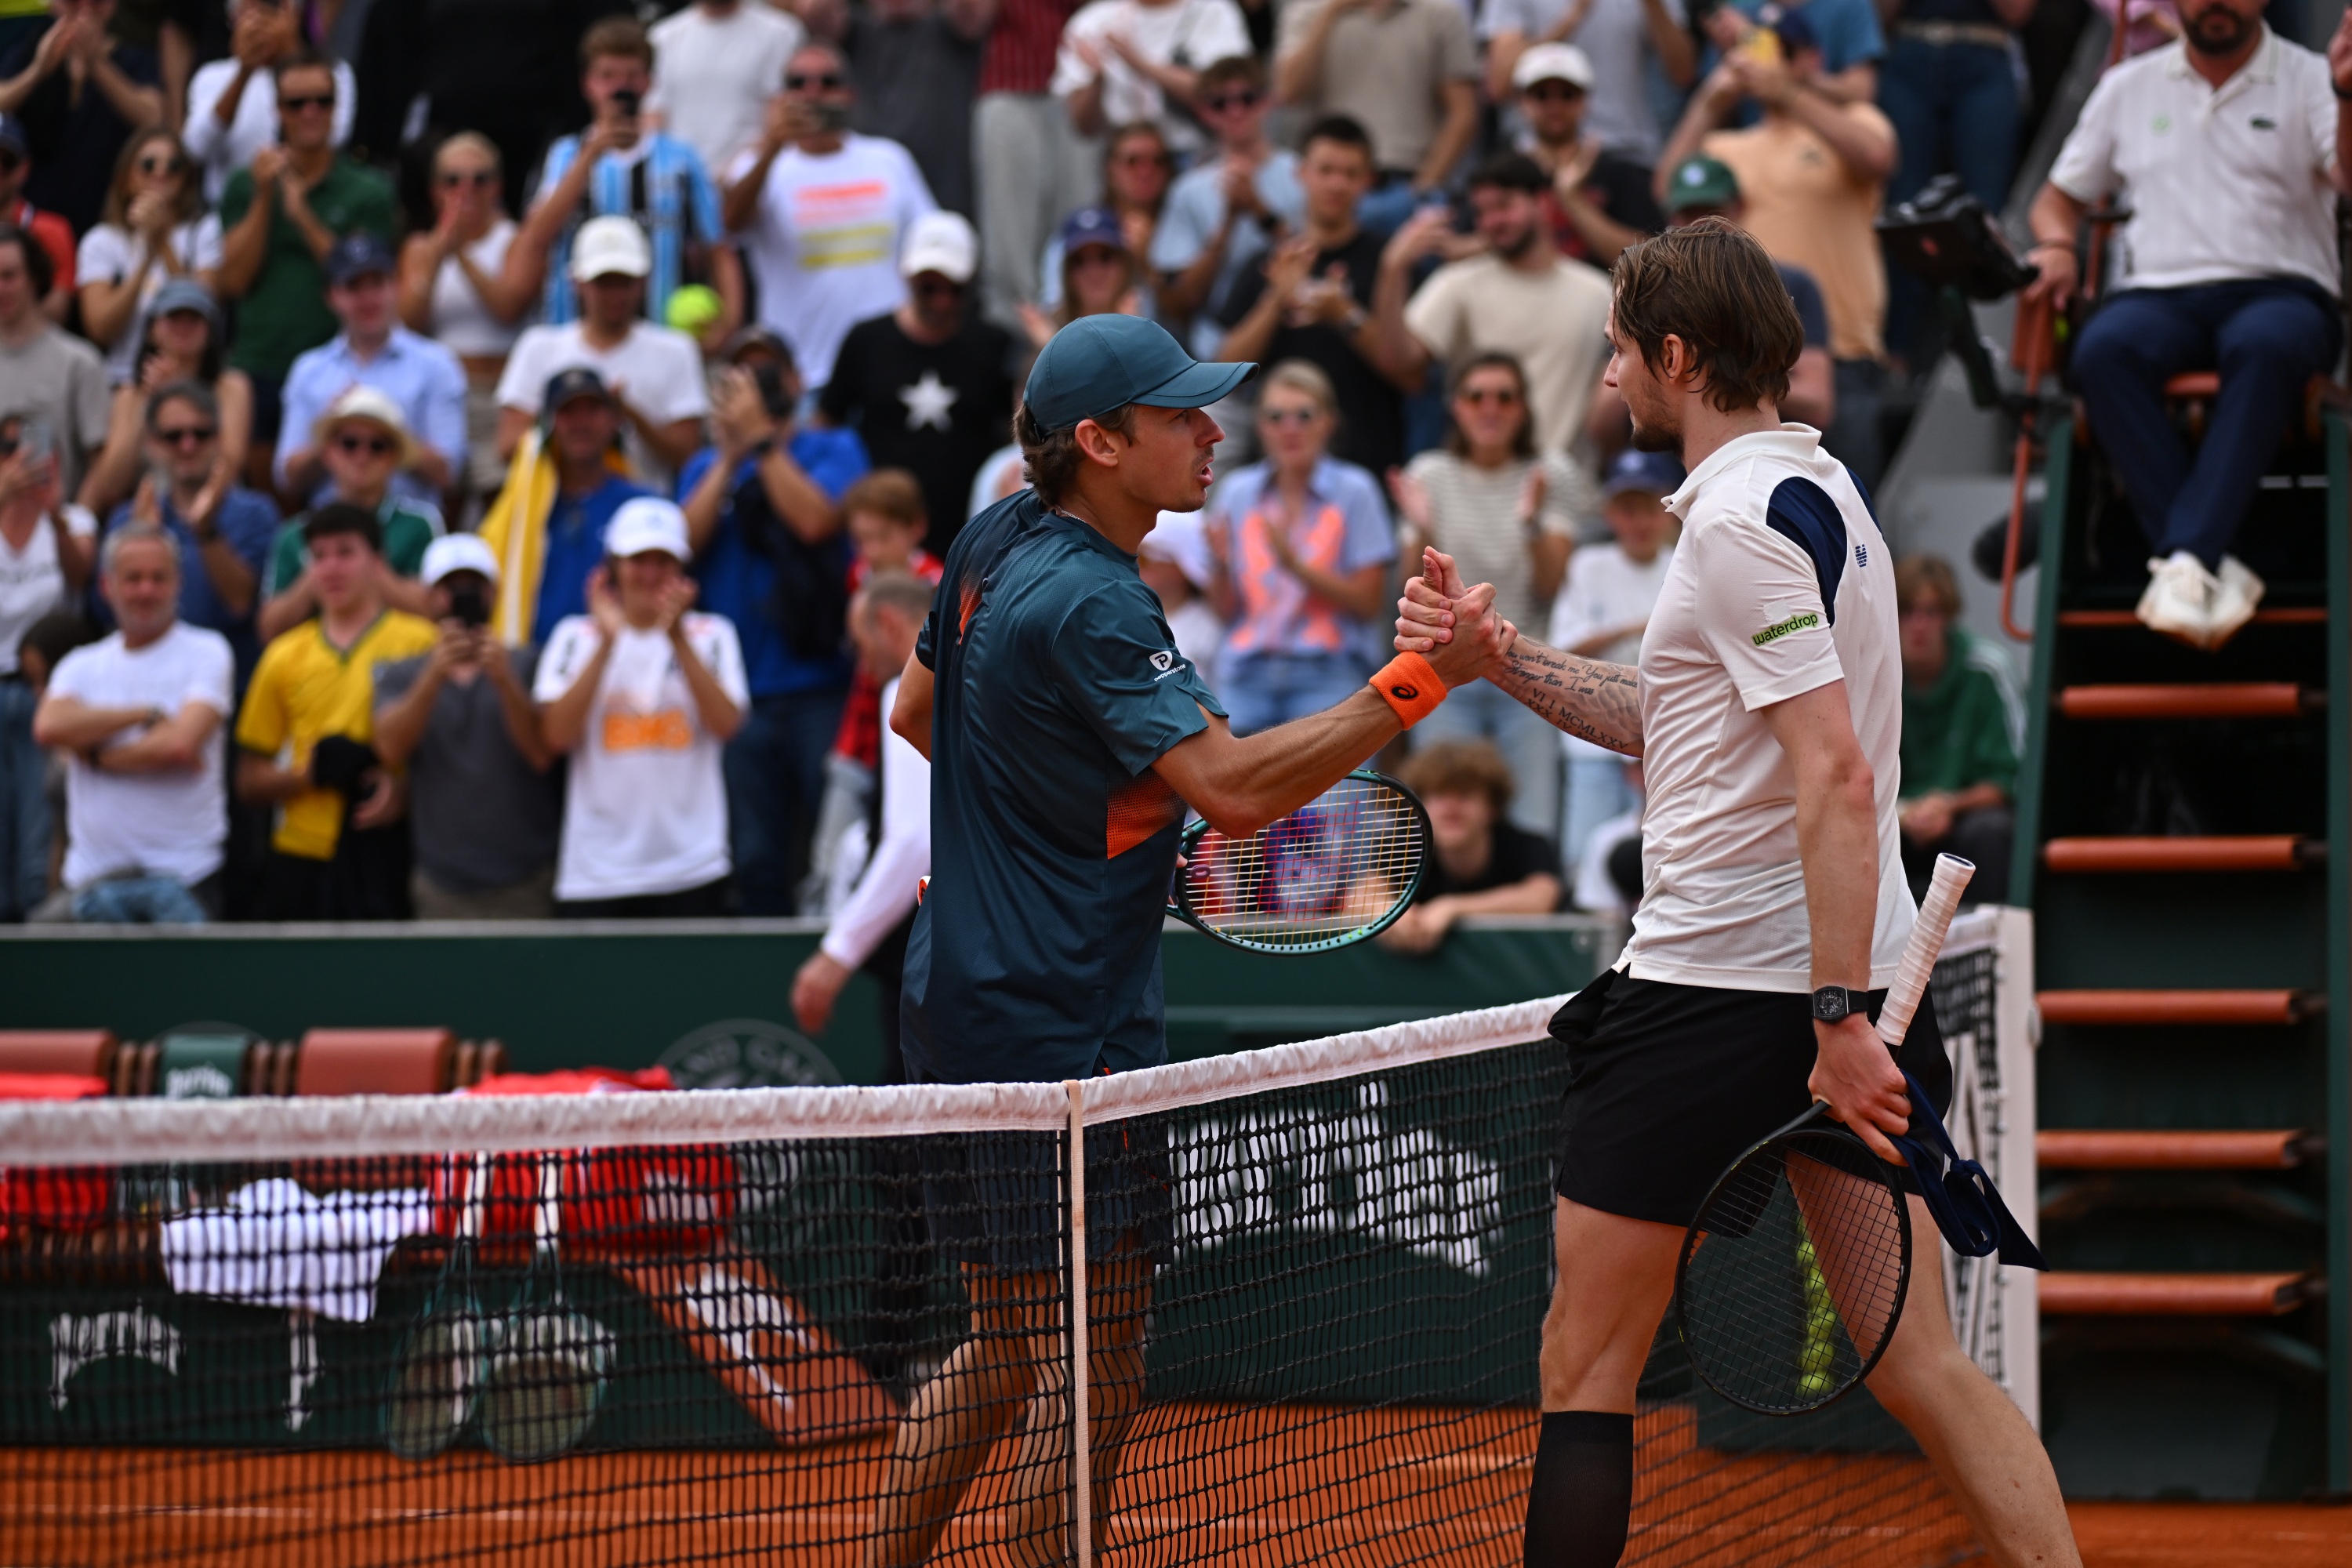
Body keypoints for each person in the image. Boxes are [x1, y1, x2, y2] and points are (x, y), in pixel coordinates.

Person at [1391, 217, 2079, 1568]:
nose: (1608, 384)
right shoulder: (1826, 508)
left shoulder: (1736, 528)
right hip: (1859, 987)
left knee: (1585, 1370)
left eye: (1618, 357)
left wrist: (1828, 1016)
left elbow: (1829, 775)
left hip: (1729, 997)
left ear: (1677, 354)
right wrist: (1502, 659)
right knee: (1921, 1361)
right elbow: (1692, 723)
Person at [868, 312, 1507, 1568]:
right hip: (1062, 1027)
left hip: (955, 994)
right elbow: (1237, 789)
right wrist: (1421, 682)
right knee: (1098, 1360)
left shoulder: (995, 531)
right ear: (1100, 443)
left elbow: (915, 712)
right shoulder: (1102, 602)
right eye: (1179, 417)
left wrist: (1063, 832)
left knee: (1004, 1344)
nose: (1214, 433)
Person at [2024, 0, 2352, 651]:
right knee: (2103, 349)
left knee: (2262, 343)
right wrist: (2058, 246)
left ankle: (2186, 558)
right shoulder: (2127, 85)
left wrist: (2346, 94)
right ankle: (2201, 564)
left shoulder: (2313, 76)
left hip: (2281, 287)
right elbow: (2056, 200)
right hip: (2159, 294)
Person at [1657, 8, 1898, 487]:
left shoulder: (1854, 120)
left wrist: (1789, 91)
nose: (1764, 64)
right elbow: (1668, 188)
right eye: (1755, 53)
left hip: (1843, 353)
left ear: (1811, 59)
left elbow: (1877, 156)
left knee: (1849, 520)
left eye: (1779, 52)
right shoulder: (1730, 146)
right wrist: (1711, 100)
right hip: (1745, 357)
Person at [679, 339, 868, 916]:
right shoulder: (704, 465)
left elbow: (816, 520)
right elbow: (680, 543)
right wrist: (730, 456)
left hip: (819, 685)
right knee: (755, 858)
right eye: (742, 375)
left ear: (793, 379)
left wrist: (763, 443)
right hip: (737, 694)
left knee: (831, 850)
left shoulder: (833, 447)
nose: (755, 387)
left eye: (767, 374)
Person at [1388, 351, 1584, 835]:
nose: (1489, 408)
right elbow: (1410, 595)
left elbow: (1551, 585)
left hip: (1529, 665)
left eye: (1504, 396)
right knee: (1441, 815)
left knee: (1532, 817)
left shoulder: (1550, 472)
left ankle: (1528, 910)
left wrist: (1530, 522)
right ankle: (1440, 912)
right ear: (1455, 406)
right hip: (1448, 669)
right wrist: (1421, 527)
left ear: (1524, 409)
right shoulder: (1429, 473)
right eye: (1476, 396)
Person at [535, 497, 748, 917]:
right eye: (637, 560)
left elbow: (727, 725)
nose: (650, 574)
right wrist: (608, 642)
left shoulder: (713, 634)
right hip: (597, 872)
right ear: (613, 566)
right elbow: (555, 736)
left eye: (663, 560)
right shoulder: (574, 637)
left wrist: (678, 639)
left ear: (682, 568)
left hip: (693, 865)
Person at [234, 503, 439, 920]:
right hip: (301, 851)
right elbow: (249, 779)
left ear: (378, 562)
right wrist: (307, 775)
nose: (331, 569)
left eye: (346, 552)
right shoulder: (283, 655)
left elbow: (449, 758)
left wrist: (402, 793)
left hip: (389, 848)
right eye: (320, 556)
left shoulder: (420, 643)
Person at [214, 52, 398, 493]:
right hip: (262, 359)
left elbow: (364, 280)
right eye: (296, 103)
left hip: (336, 367)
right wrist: (264, 198)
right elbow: (233, 281)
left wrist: (301, 215)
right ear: (278, 111)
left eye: (322, 100)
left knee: (333, 492)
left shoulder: (368, 190)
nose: (310, 112)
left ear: (337, 107)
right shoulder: (245, 184)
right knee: (265, 493)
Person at [31, 522, 232, 922]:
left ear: (179, 583)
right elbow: (50, 726)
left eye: (158, 578)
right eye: (133, 578)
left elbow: (179, 746)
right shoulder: (80, 665)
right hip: (90, 879)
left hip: (187, 875)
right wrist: (145, 714)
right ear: (107, 587)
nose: (146, 591)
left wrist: (94, 755)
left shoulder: (208, 652)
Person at [723, 40, 937, 392]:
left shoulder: (889, 159)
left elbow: (929, 246)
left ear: (849, 94)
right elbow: (730, 224)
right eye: (798, 83)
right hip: (801, 374)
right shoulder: (759, 166)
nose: (813, 92)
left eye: (827, 82)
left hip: (886, 367)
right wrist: (773, 145)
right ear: (781, 97)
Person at [512, 16, 741, 340]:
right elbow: (536, 239)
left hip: (662, 338)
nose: (620, 87)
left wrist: (728, 324)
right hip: (574, 337)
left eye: (631, 76)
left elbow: (718, 248)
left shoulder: (681, 159)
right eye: (607, 76)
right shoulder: (565, 155)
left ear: (649, 82)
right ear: (587, 84)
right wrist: (591, 155)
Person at [372, 534, 561, 920]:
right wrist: (433, 676)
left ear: (492, 593)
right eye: (447, 588)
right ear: (426, 597)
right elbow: (390, 750)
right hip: (441, 882)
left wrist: (505, 681)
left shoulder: (528, 663)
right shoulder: (402, 673)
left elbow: (542, 755)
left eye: (471, 587)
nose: (457, 598)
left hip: (526, 879)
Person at [1202, 359, 1394, 734]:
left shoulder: (1356, 490)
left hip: (1330, 669)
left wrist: (1295, 567)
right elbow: (1224, 613)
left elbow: (1369, 603)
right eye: (1276, 416)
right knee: (1223, 786)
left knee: (1340, 795)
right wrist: (1222, 568)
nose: (1290, 428)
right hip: (1246, 671)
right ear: (1260, 426)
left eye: (1304, 415)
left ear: (1329, 422)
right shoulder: (1237, 492)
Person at [1379, 153, 1615, 458]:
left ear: (1542, 203)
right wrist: (1392, 270)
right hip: (1480, 485)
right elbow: (1401, 364)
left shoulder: (1597, 292)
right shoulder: (1458, 283)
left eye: (1504, 206)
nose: (1492, 221)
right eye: (1482, 212)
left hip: (1569, 488)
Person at [790, 568, 935, 1051]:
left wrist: (838, 951)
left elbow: (917, 838)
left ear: (890, 625)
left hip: (937, 959)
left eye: (860, 644)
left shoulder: (907, 689)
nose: (862, 664)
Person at [819, 211, 1018, 558]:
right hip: (884, 540)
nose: (941, 301)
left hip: (971, 538)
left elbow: (1015, 436)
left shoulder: (993, 345)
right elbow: (826, 426)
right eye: (929, 288)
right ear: (907, 277)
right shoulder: (866, 341)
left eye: (954, 289)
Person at [1217, 116, 1407, 475]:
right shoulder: (1267, 263)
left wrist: (1346, 316)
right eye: (1326, 170)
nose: (1337, 183)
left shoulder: (1390, 263)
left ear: (1367, 181)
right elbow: (1225, 373)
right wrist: (1276, 298)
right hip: (1275, 471)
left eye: (1351, 173)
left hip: (1369, 463)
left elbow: (1410, 374)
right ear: (1301, 174)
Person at [495, 216, 710, 488]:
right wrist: (578, 417)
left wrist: (626, 413)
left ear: (643, 282)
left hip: (643, 515)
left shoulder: (676, 350)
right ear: (577, 281)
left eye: (625, 281)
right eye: (604, 282)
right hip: (553, 514)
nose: (616, 294)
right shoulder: (538, 346)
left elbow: (688, 453)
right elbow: (506, 447)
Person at [1877, 0, 2031, 372]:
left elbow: (2018, 12)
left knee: (1983, 211)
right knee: (1901, 209)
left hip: (1984, 53)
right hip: (1910, 54)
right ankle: (1896, 353)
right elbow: (1882, 14)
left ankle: (1979, 352)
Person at [1548, 446, 1677, 866]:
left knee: (1664, 859)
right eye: (1627, 510)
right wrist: (1638, 627)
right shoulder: (1588, 564)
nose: (1639, 522)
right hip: (1593, 737)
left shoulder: (1685, 563)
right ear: (1610, 514)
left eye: (1648, 509)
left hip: (1665, 739)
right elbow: (1562, 648)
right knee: (1583, 857)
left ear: (1667, 511)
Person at [98, 379, 277, 677]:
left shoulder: (255, 513)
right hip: (145, 680)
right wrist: (144, 540)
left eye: (201, 434)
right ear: (151, 444)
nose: (188, 445)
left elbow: (240, 603)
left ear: (219, 439)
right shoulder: (126, 520)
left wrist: (206, 532)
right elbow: (105, 611)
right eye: (173, 436)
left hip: (234, 680)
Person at [397, 133, 533, 515]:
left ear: (498, 187)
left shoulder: (515, 240)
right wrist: (438, 256)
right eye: (453, 180)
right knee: (447, 502)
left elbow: (508, 307)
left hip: (498, 392)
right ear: (434, 190)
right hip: (445, 394)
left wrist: (463, 255)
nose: (466, 189)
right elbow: (408, 324)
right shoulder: (420, 248)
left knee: (500, 502)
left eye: (480, 179)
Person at [275, 234, 467, 505]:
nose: (368, 299)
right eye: (354, 287)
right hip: (330, 532)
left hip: (410, 533)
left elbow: (450, 473)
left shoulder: (436, 363)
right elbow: (287, 477)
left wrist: (387, 425)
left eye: (377, 283)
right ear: (331, 296)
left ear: (397, 286)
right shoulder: (309, 370)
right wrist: (334, 432)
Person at [1657, 153, 1835, 432]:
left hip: (1768, 434)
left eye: (1712, 211)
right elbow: (1602, 416)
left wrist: (1712, 375)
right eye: (1689, 213)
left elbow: (1817, 401)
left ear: (1738, 207)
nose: (1700, 225)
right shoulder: (1656, 294)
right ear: (1672, 218)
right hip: (1682, 445)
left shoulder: (1787, 283)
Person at [1272, 0, 1479, 238]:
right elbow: (1289, 91)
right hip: (1336, 185)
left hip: (1409, 181)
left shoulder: (1442, 13)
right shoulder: (1306, 12)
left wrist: (1423, 188)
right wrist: (1333, 11)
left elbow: (1463, 113)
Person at [483, 367, 654, 648]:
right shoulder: (521, 508)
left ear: (613, 420)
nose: (581, 422)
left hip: (617, 658)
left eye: (592, 410)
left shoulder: (641, 505)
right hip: (534, 661)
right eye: (568, 412)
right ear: (548, 426)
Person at [1149, 54, 1304, 361]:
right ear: (1206, 113)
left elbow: (1318, 260)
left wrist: (1260, 211)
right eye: (1221, 103)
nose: (1235, 111)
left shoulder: (1302, 172)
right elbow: (1176, 301)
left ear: (1267, 102)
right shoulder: (1189, 189)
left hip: (1296, 335)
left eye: (1247, 98)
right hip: (1218, 348)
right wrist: (1227, 226)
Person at [257, 387, 442, 643]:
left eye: (377, 446)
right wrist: (322, 572)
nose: (362, 456)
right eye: (349, 443)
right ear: (328, 452)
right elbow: (269, 630)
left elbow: (436, 614)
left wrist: (358, 566)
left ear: (394, 457)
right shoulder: (294, 532)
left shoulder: (420, 524)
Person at [1, 416, 94, 920]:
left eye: (31, 448)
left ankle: (34, 954)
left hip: (48, 693)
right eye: (7, 447)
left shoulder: (73, 520)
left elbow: (81, 578)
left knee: (39, 845)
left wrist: (50, 514)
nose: (21, 458)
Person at [75, 277, 253, 519]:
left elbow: (230, 466)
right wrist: (152, 405)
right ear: (151, 329)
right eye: (173, 318)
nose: (184, 325)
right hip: (152, 512)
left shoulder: (232, 387)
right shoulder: (129, 396)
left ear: (210, 330)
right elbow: (111, 484)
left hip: (220, 509)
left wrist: (180, 393)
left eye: (194, 319)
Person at [1894, 555, 2016, 906]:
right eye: (1907, 611)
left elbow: (2010, 779)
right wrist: (1902, 813)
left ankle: (1990, 949)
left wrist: (1949, 805)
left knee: (1991, 831)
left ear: (1948, 616)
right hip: (1893, 822)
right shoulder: (1868, 674)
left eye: (1930, 612)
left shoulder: (1986, 670)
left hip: (1962, 825)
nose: (1918, 626)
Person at [969, 0, 1094, 332]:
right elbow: (967, 21)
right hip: (1011, 84)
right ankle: (1015, 338)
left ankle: (1081, 331)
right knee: (1009, 237)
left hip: (1081, 90)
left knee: (1082, 222)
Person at [1378, 739, 1565, 954]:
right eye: (1439, 795)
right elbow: (1362, 896)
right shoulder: (1400, 845)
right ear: (1421, 806)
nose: (1451, 808)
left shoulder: (1529, 845)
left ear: (1492, 808)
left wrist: (1452, 907)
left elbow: (1541, 898)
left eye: (1465, 794)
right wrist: (1390, 913)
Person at [0, 0, 162, 237]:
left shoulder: (135, 59)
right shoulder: (31, 51)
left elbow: (156, 118)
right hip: (36, 226)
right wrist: (37, 72)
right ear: (55, 4)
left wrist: (96, 63)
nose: (85, 10)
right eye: (73, 1)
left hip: (108, 221)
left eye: (96, 2)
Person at [75, 128, 220, 387]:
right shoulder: (101, 240)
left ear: (186, 178)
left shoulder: (204, 230)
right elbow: (100, 328)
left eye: (174, 165)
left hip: (191, 380)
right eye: (148, 164)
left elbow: (203, 311)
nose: (161, 173)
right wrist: (147, 258)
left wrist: (162, 240)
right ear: (126, 178)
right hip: (123, 380)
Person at [1483, 0, 1695, 168]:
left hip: (1628, 151)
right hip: (1539, 155)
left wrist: (1653, 3)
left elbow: (1683, 74)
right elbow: (1499, 85)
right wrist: (1571, 18)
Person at [1508, 43, 1666, 269]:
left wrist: (1572, 199)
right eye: (1541, 95)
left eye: (1567, 95)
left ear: (1586, 101)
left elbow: (1649, 260)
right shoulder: (1501, 175)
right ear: (1521, 102)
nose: (1555, 105)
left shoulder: (1623, 174)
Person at [180, 0, 355, 203]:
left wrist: (291, 51)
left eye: (270, 11)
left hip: (311, 207)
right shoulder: (211, 76)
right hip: (230, 213)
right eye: (250, 14)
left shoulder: (332, 72)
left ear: (294, 16)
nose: (261, 23)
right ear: (233, 19)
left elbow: (336, 136)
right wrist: (244, 72)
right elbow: (196, 149)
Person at [844, 0, 989, 220]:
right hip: (868, 214)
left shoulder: (953, 29)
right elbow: (814, 9)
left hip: (945, 211)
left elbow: (973, 10)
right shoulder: (853, 32)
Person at [1051, 0, 1249, 161]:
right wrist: (1097, 80)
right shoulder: (1093, 21)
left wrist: (1140, 64)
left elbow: (1225, 97)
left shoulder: (1214, 11)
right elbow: (1083, 127)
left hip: (1196, 154)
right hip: (1124, 159)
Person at [0, 223, 108, 502]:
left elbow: (100, 462)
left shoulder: (79, 362)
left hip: (57, 526)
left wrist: (76, 526)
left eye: (9, 276)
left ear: (34, 279)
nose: (1, 288)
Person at [646, 0, 808, 183]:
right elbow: (654, 119)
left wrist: (737, 175)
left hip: (753, 185)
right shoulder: (663, 36)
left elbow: (780, 115)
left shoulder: (781, 33)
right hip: (681, 185)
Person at [1035, 120, 1170, 319]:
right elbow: (1055, 309)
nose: (1145, 171)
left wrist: (1147, 264)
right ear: (1110, 168)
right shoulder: (1075, 229)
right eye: (1133, 161)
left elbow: (1182, 317)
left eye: (1157, 161)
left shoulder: (1178, 224)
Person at [1024, 203, 1147, 347]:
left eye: (1105, 257)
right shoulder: (1039, 339)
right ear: (1065, 273)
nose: (1094, 272)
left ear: (1125, 265)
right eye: (1079, 261)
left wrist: (1136, 336)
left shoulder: (1154, 328)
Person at [0, 112, 74, 321]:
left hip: (32, 347)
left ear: (24, 169)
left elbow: (59, 306)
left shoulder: (53, 229)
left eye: (7, 161)